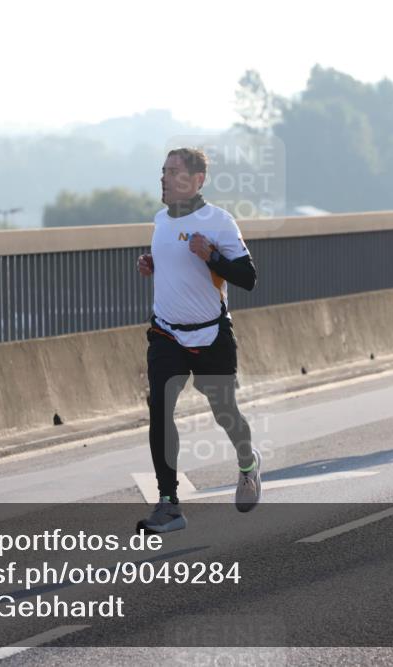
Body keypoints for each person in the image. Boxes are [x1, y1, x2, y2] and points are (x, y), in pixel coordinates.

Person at [134, 147, 260, 533]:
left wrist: (212, 258)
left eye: (173, 172)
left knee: (225, 413)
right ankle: (169, 504)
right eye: (163, 171)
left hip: (211, 335)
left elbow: (248, 278)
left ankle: (247, 461)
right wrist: (153, 264)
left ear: (197, 180)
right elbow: (175, 264)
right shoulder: (160, 220)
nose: (164, 178)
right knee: (160, 406)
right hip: (167, 333)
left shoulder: (219, 222)